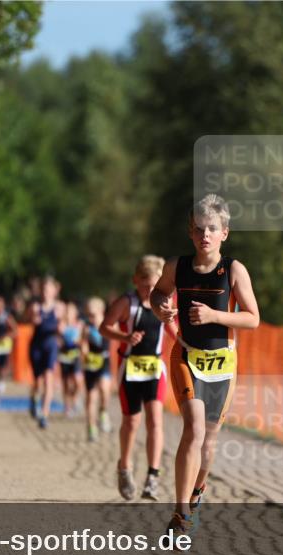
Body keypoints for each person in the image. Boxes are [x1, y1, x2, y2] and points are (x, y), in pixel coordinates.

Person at [151, 194, 260, 533]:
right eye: (199, 229)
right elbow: (158, 292)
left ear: (224, 233)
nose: (205, 235)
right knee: (193, 429)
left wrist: (215, 315)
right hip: (186, 355)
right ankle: (180, 514)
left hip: (222, 364)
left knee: (209, 440)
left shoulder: (234, 270)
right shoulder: (177, 266)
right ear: (191, 232)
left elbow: (253, 318)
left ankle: (198, 490)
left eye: (212, 228)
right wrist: (161, 307)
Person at [101, 255, 176, 501]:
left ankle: (152, 477)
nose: (149, 290)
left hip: (154, 369)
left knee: (155, 420)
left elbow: (174, 331)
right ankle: (124, 467)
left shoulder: (164, 302)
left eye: (154, 285)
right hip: (130, 369)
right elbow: (104, 327)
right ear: (135, 280)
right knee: (131, 422)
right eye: (144, 284)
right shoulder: (127, 303)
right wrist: (125, 338)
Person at [29, 276, 60, 429]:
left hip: (51, 346)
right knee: (37, 382)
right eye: (43, 290)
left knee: (49, 379)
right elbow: (26, 319)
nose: (46, 293)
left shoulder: (59, 308)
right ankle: (34, 399)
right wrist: (33, 318)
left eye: (48, 290)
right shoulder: (35, 307)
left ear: (55, 291)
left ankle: (44, 414)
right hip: (36, 347)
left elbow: (65, 327)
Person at [81, 297, 113, 442]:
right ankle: (91, 427)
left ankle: (104, 411)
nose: (90, 318)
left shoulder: (108, 324)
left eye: (93, 315)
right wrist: (84, 350)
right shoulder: (86, 327)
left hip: (104, 361)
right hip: (90, 364)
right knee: (90, 399)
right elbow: (83, 344)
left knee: (105, 390)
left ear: (101, 312)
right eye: (88, 315)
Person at [58, 302, 84, 418]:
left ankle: (74, 399)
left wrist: (79, 342)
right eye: (67, 311)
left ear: (75, 313)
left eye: (71, 311)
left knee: (78, 382)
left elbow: (82, 340)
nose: (68, 314)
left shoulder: (79, 324)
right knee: (66, 384)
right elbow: (59, 339)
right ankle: (67, 406)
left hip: (76, 356)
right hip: (64, 357)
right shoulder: (61, 325)